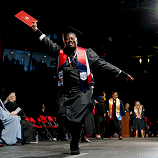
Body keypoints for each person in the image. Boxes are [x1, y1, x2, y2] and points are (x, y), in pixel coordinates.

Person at [31, 22, 134, 155]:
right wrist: (36, 30)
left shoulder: (86, 53)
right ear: (65, 42)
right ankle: (75, 134)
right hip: (65, 91)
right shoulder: (59, 52)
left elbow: (104, 65)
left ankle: (74, 142)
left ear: (76, 41)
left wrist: (122, 73)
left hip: (83, 90)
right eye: (67, 39)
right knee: (61, 116)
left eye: (72, 39)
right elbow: (46, 42)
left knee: (77, 119)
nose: (69, 40)